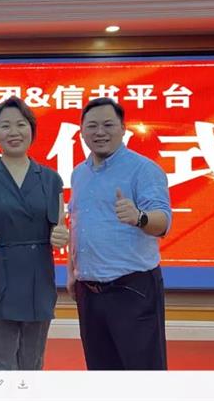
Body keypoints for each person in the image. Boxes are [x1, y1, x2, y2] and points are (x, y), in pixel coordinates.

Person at [67, 97, 172, 370]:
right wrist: (72, 271)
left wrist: (139, 217)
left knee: (142, 374)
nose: (100, 132)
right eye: (92, 126)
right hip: (89, 293)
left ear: (123, 129)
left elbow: (163, 222)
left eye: (108, 125)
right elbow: (78, 225)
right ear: (82, 132)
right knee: (101, 371)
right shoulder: (79, 174)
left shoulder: (144, 170)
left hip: (132, 290)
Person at [0, 96, 68, 370]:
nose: (14, 132)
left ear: (31, 129)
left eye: (21, 125)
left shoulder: (51, 179)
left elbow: (59, 227)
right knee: (2, 364)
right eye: (5, 126)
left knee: (33, 364)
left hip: (38, 279)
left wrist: (61, 236)